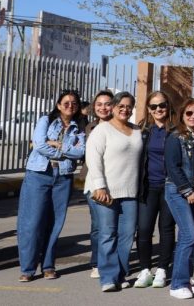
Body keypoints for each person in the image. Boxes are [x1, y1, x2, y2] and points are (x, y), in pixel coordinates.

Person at [17, 90, 87, 282]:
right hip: (39, 174)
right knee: (31, 223)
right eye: (66, 103)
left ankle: (48, 266)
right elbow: (39, 145)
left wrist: (59, 145)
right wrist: (63, 152)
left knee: (55, 223)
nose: (70, 106)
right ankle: (27, 268)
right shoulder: (46, 121)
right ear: (58, 105)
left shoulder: (79, 127)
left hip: (63, 177)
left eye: (74, 103)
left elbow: (81, 152)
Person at [85, 91, 143, 292]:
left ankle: (120, 274)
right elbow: (93, 158)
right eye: (121, 106)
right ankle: (108, 278)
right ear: (114, 107)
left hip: (130, 191)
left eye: (129, 106)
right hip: (105, 191)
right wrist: (100, 186)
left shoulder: (137, 130)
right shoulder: (102, 130)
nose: (125, 109)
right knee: (108, 233)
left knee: (127, 234)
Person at [164, 97, 194, 299]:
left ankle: (184, 281)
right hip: (178, 190)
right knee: (189, 235)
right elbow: (172, 167)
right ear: (182, 115)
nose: (193, 116)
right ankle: (177, 284)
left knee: (188, 236)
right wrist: (187, 191)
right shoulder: (175, 137)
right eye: (189, 113)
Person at [134, 90, 177, 289]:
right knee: (144, 229)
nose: (159, 109)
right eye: (154, 106)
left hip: (169, 187)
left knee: (166, 229)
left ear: (168, 106)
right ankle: (145, 270)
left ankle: (162, 269)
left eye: (162, 105)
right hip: (148, 186)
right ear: (149, 110)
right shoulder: (142, 131)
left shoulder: (176, 130)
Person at [82, 90, 115, 280]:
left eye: (107, 104)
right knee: (97, 225)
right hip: (93, 182)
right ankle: (97, 262)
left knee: (112, 226)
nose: (103, 108)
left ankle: (111, 260)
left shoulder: (121, 126)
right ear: (94, 107)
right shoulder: (90, 127)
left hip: (116, 181)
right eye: (99, 104)